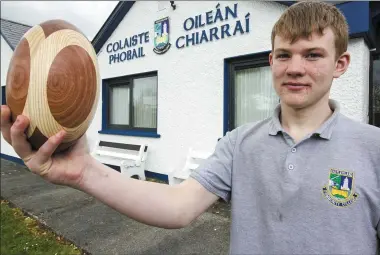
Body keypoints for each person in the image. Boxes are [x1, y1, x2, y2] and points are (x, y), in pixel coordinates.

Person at [1, 1, 379, 254]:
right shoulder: (239, 144)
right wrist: (85, 171)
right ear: (271, 61)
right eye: (285, 55)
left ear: (341, 63)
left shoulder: (373, 149)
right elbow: (179, 207)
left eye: (313, 55)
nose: (295, 68)